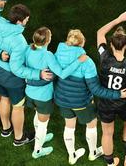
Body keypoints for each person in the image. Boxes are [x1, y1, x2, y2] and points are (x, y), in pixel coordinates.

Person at [0, 4, 54, 145]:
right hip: (12, 78)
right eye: (26, 19)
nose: (27, 21)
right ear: (20, 21)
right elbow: (17, 69)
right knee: (18, 106)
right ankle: (19, 138)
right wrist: (38, 73)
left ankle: (6, 129)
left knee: (4, 98)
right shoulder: (18, 41)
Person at [54, 29, 126, 164]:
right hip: (81, 102)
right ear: (82, 43)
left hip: (62, 99)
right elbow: (96, 89)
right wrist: (117, 94)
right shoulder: (87, 62)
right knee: (92, 124)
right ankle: (93, 152)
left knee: (69, 126)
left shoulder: (57, 53)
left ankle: (72, 156)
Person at [24, 27, 87, 159]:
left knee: (37, 114)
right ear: (48, 40)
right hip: (43, 96)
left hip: (29, 92)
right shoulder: (48, 56)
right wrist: (78, 61)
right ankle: (37, 150)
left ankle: (39, 137)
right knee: (43, 124)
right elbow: (63, 74)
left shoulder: (28, 49)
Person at [96, 12, 126, 166]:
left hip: (106, 101)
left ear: (110, 45)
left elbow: (100, 33)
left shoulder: (104, 58)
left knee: (107, 132)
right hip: (124, 101)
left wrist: (118, 20)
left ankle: (110, 163)